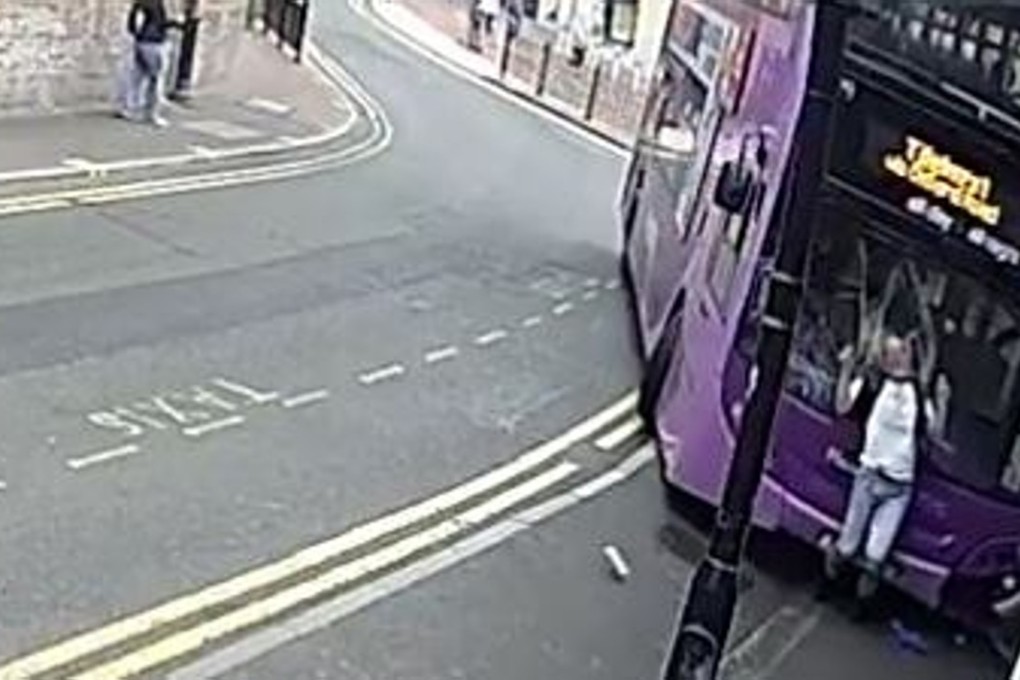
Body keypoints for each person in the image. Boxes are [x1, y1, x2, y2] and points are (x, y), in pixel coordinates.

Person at [823, 334, 948, 610]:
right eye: (891, 351)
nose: (896, 356)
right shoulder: (872, 383)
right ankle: (829, 585)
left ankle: (860, 605)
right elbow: (843, 406)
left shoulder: (918, 392)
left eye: (901, 351)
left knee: (875, 556)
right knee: (847, 546)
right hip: (869, 475)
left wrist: (942, 401)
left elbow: (934, 433)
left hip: (899, 486)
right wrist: (845, 369)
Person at [123, 0, 175, 126]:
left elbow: (132, 24)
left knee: (137, 77)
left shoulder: (140, 2)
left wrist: (137, 35)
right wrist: (175, 23)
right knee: (156, 79)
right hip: (154, 43)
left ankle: (129, 109)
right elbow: (159, 23)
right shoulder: (155, 3)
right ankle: (153, 114)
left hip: (141, 42)